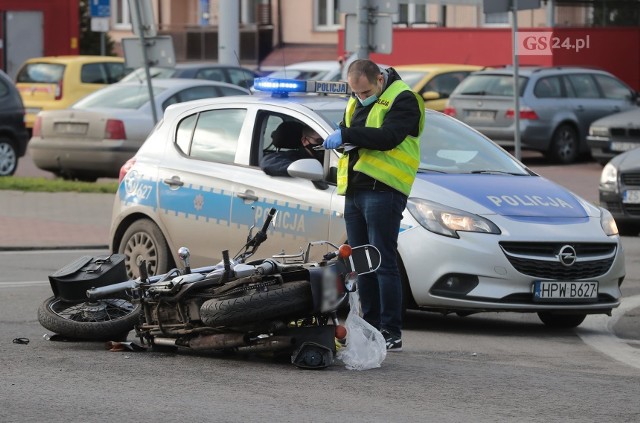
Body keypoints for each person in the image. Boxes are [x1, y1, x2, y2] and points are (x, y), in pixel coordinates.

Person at [322, 59, 425, 352]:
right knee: (362, 264)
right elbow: (349, 133)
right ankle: (369, 326)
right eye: (356, 93)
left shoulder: (404, 99)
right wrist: (337, 140)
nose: (360, 98)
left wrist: (348, 135)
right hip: (355, 189)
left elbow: (389, 137)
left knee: (383, 262)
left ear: (379, 79)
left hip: (384, 190)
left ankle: (390, 330)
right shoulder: (356, 101)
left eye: (365, 92)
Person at [260, 123, 324, 177]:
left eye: (326, 141)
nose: (324, 144)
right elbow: (268, 163)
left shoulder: (330, 155)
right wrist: (301, 168)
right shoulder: (293, 157)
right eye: (319, 140)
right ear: (304, 141)